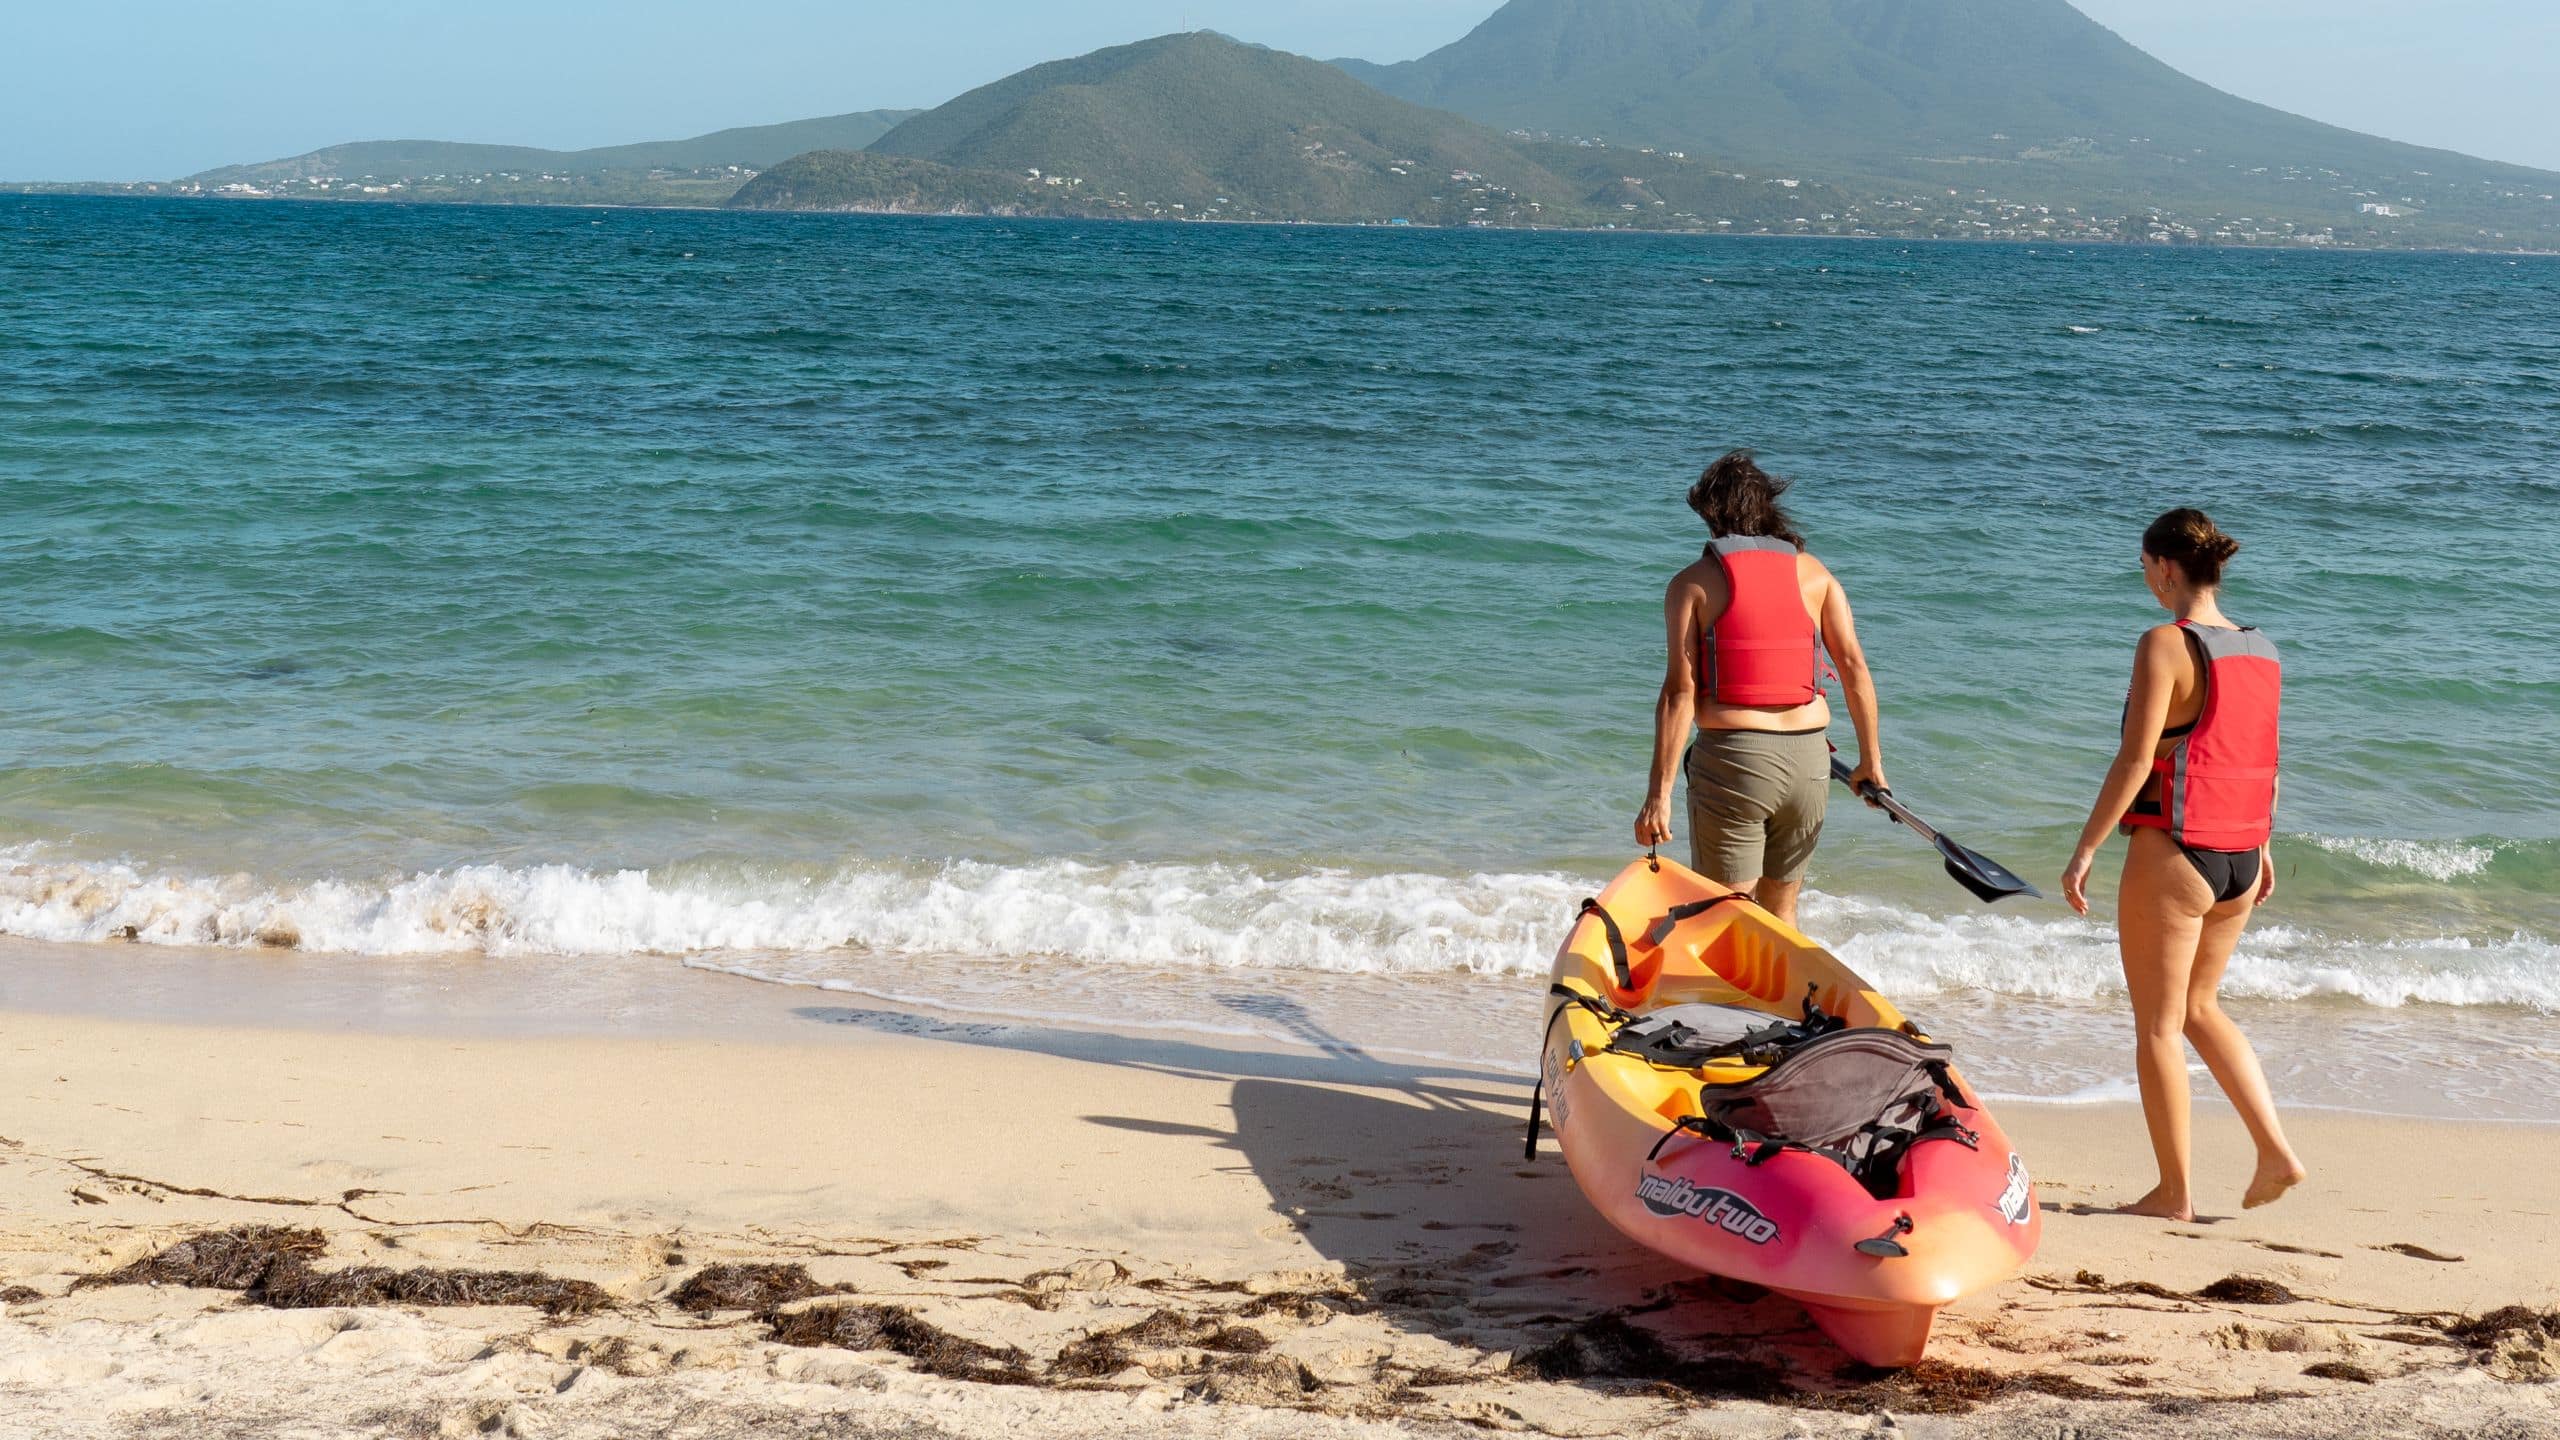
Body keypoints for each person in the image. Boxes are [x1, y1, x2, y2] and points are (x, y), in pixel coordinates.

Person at [2061, 508, 2306, 1219]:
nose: (2145, 580)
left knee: (2160, 1027)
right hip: (2238, 855)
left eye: (2144, 568)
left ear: (2166, 568)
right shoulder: (2262, 648)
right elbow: (2266, 757)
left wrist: (2085, 850)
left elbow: (2137, 760)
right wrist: (2263, 848)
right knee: (2201, 1008)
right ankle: (2275, 1151)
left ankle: (2174, 1193)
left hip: (2177, 853)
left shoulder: (2164, 643)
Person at [1634, 450, 1883, 928]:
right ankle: (1780, 1001)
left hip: (1735, 763)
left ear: (1712, 515)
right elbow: (1853, 668)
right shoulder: (1816, 575)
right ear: (1768, 507)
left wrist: (1658, 795)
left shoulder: (1691, 585)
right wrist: (1872, 761)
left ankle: (1724, 1000)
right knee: (1782, 913)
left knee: (1723, 916)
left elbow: (1678, 694)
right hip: (1811, 764)